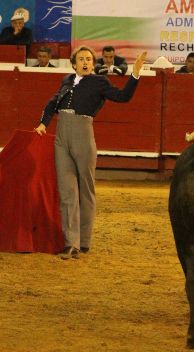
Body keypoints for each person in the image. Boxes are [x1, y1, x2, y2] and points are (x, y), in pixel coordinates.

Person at [34, 46, 147, 259]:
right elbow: (51, 105)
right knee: (67, 191)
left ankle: (84, 240)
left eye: (89, 59)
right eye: (81, 59)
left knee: (85, 189)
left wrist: (135, 73)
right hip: (61, 136)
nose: (86, 62)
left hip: (83, 135)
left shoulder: (99, 82)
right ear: (74, 63)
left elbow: (123, 97)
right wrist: (42, 125)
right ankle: (71, 243)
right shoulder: (66, 80)